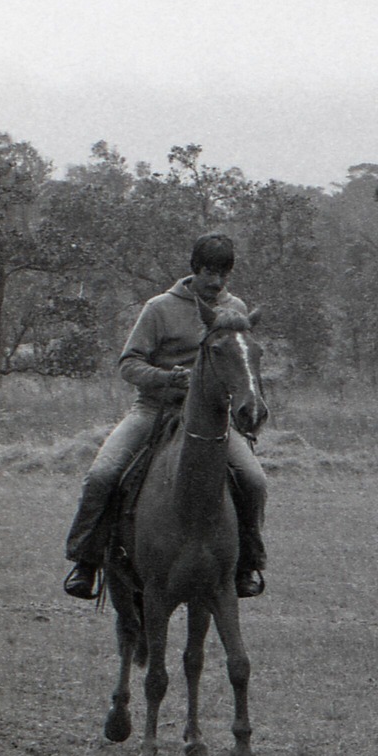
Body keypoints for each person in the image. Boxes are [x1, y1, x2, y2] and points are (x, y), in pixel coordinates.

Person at [61, 232, 268, 600]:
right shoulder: (159, 308)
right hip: (154, 410)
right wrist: (166, 378)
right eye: (208, 271)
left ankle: (247, 564)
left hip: (210, 419)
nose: (215, 281)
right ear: (194, 269)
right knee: (101, 475)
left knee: (254, 480)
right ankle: (86, 561)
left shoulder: (234, 307)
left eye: (223, 273)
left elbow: (239, 361)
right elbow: (128, 364)